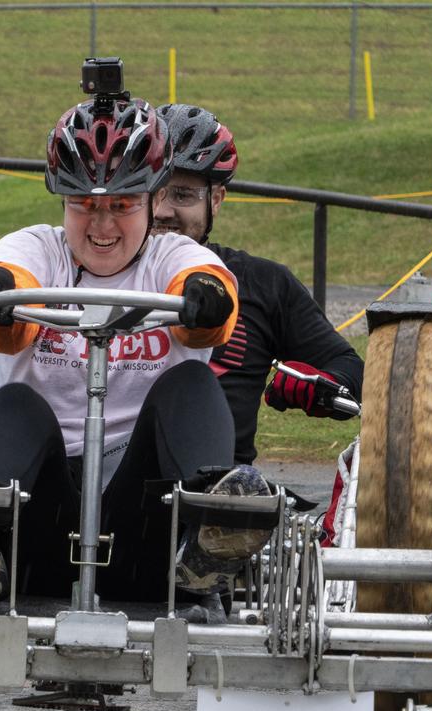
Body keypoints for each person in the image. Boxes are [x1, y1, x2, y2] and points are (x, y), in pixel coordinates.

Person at [0, 92, 269, 619]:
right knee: (16, 401)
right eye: (85, 205)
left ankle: (206, 554)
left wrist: (204, 300)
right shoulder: (38, 247)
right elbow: (8, 296)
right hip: (37, 524)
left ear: (150, 199)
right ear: (63, 201)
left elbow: (211, 296)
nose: (102, 226)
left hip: (146, 530)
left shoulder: (173, 256)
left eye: (121, 205)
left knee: (192, 386)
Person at [152, 104, 364, 466]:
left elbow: (350, 369)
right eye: (151, 190)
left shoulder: (263, 283)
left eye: (183, 195)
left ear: (216, 200)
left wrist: (320, 384)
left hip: (215, 494)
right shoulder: (96, 272)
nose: (161, 210)